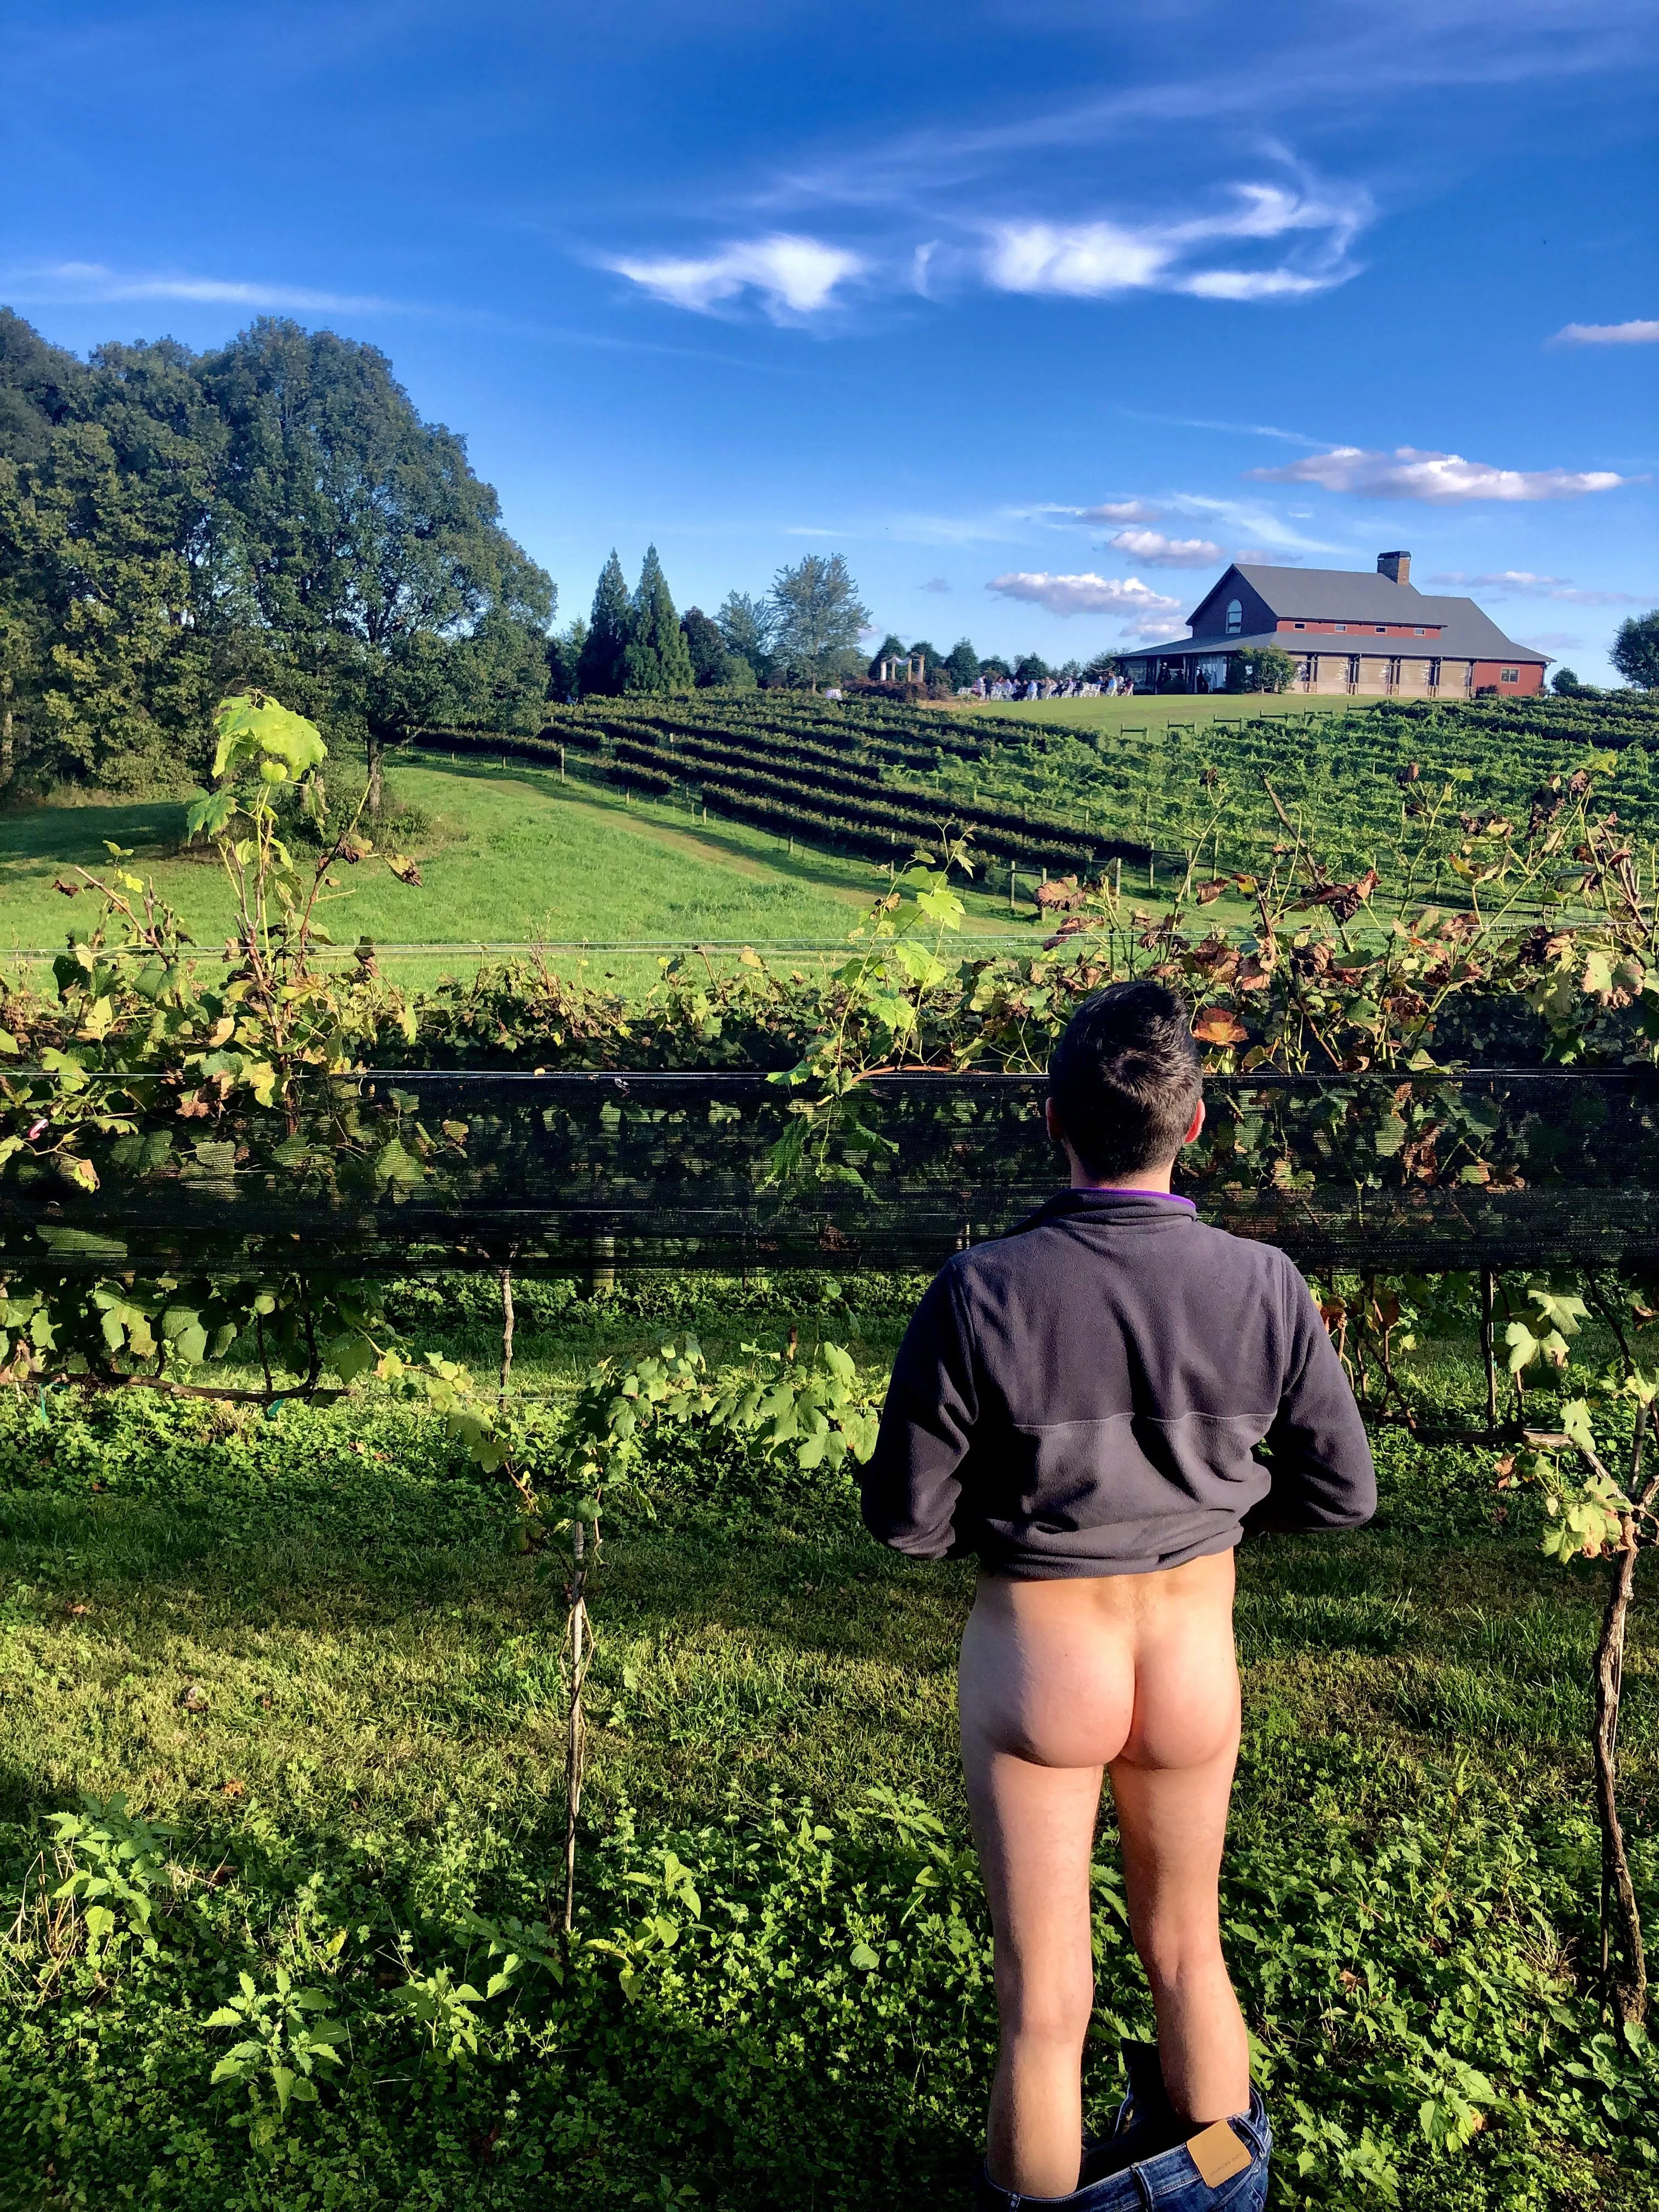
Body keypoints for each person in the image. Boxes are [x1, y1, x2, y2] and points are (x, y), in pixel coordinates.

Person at [861, 981, 1375, 2209]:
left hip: (1043, 1669)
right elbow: (1343, 1493)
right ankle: (1214, 2190)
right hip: (1192, 1665)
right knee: (1190, 1950)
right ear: (1194, 1125)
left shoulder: (981, 1289)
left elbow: (907, 1522)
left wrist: (1017, 1520)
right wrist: (1214, 1514)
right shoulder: (1265, 1284)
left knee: (1044, 2003)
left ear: (1052, 1120)